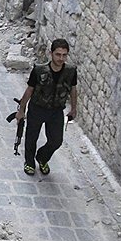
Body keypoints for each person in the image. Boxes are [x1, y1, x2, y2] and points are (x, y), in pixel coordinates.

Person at [15, 38, 77, 176]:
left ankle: (42, 157)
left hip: (56, 111)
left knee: (56, 140)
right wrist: (21, 110)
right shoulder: (39, 70)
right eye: (58, 54)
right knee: (31, 137)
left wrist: (73, 108)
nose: (61, 58)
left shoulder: (71, 71)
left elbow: (73, 89)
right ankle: (29, 162)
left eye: (64, 55)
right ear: (51, 54)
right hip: (37, 108)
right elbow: (29, 90)